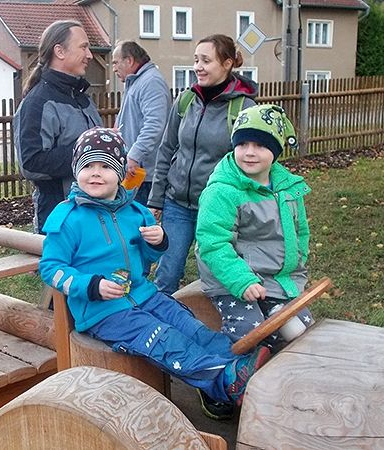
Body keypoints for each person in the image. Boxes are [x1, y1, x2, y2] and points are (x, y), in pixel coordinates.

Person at [40, 127, 271, 411]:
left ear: (121, 171)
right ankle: (225, 382)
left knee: (188, 324)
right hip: (104, 312)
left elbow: (147, 258)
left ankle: (238, 364)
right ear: (76, 171)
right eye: (88, 165)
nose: (96, 173)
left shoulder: (137, 212)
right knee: (163, 338)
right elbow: (51, 268)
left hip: (144, 294)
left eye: (105, 166)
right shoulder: (67, 218)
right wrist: (90, 285)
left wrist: (158, 241)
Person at [196, 104, 314, 351]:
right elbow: (213, 243)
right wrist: (242, 281)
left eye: (260, 145)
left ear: (275, 150)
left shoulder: (288, 189)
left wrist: (295, 270)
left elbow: (299, 232)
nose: (250, 152)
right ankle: (225, 374)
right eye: (242, 144)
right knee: (248, 331)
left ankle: (272, 367)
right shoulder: (222, 192)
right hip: (232, 279)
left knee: (300, 328)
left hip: (274, 279)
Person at [148, 34, 258, 296]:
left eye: (206, 60)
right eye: (196, 60)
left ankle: (218, 325)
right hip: (177, 204)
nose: (198, 66)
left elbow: (250, 164)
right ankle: (160, 324)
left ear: (227, 63)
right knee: (167, 272)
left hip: (217, 209)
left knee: (214, 275)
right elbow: (166, 150)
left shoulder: (244, 108)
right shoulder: (186, 101)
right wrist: (156, 199)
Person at [13, 20, 102, 233]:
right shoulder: (38, 103)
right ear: (59, 51)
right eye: (83, 47)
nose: (89, 55)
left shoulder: (83, 99)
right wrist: (88, 151)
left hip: (95, 213)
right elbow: (31, 163)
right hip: (59, 219)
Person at [112, 40, 170, 206]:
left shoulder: (151, 82)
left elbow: (154, 125)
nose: (114, 68)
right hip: (136, 171)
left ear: (129, 60)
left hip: (144, 175)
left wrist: (134, 156)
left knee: (140, 226)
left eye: (116, 62)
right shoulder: (137, 82)